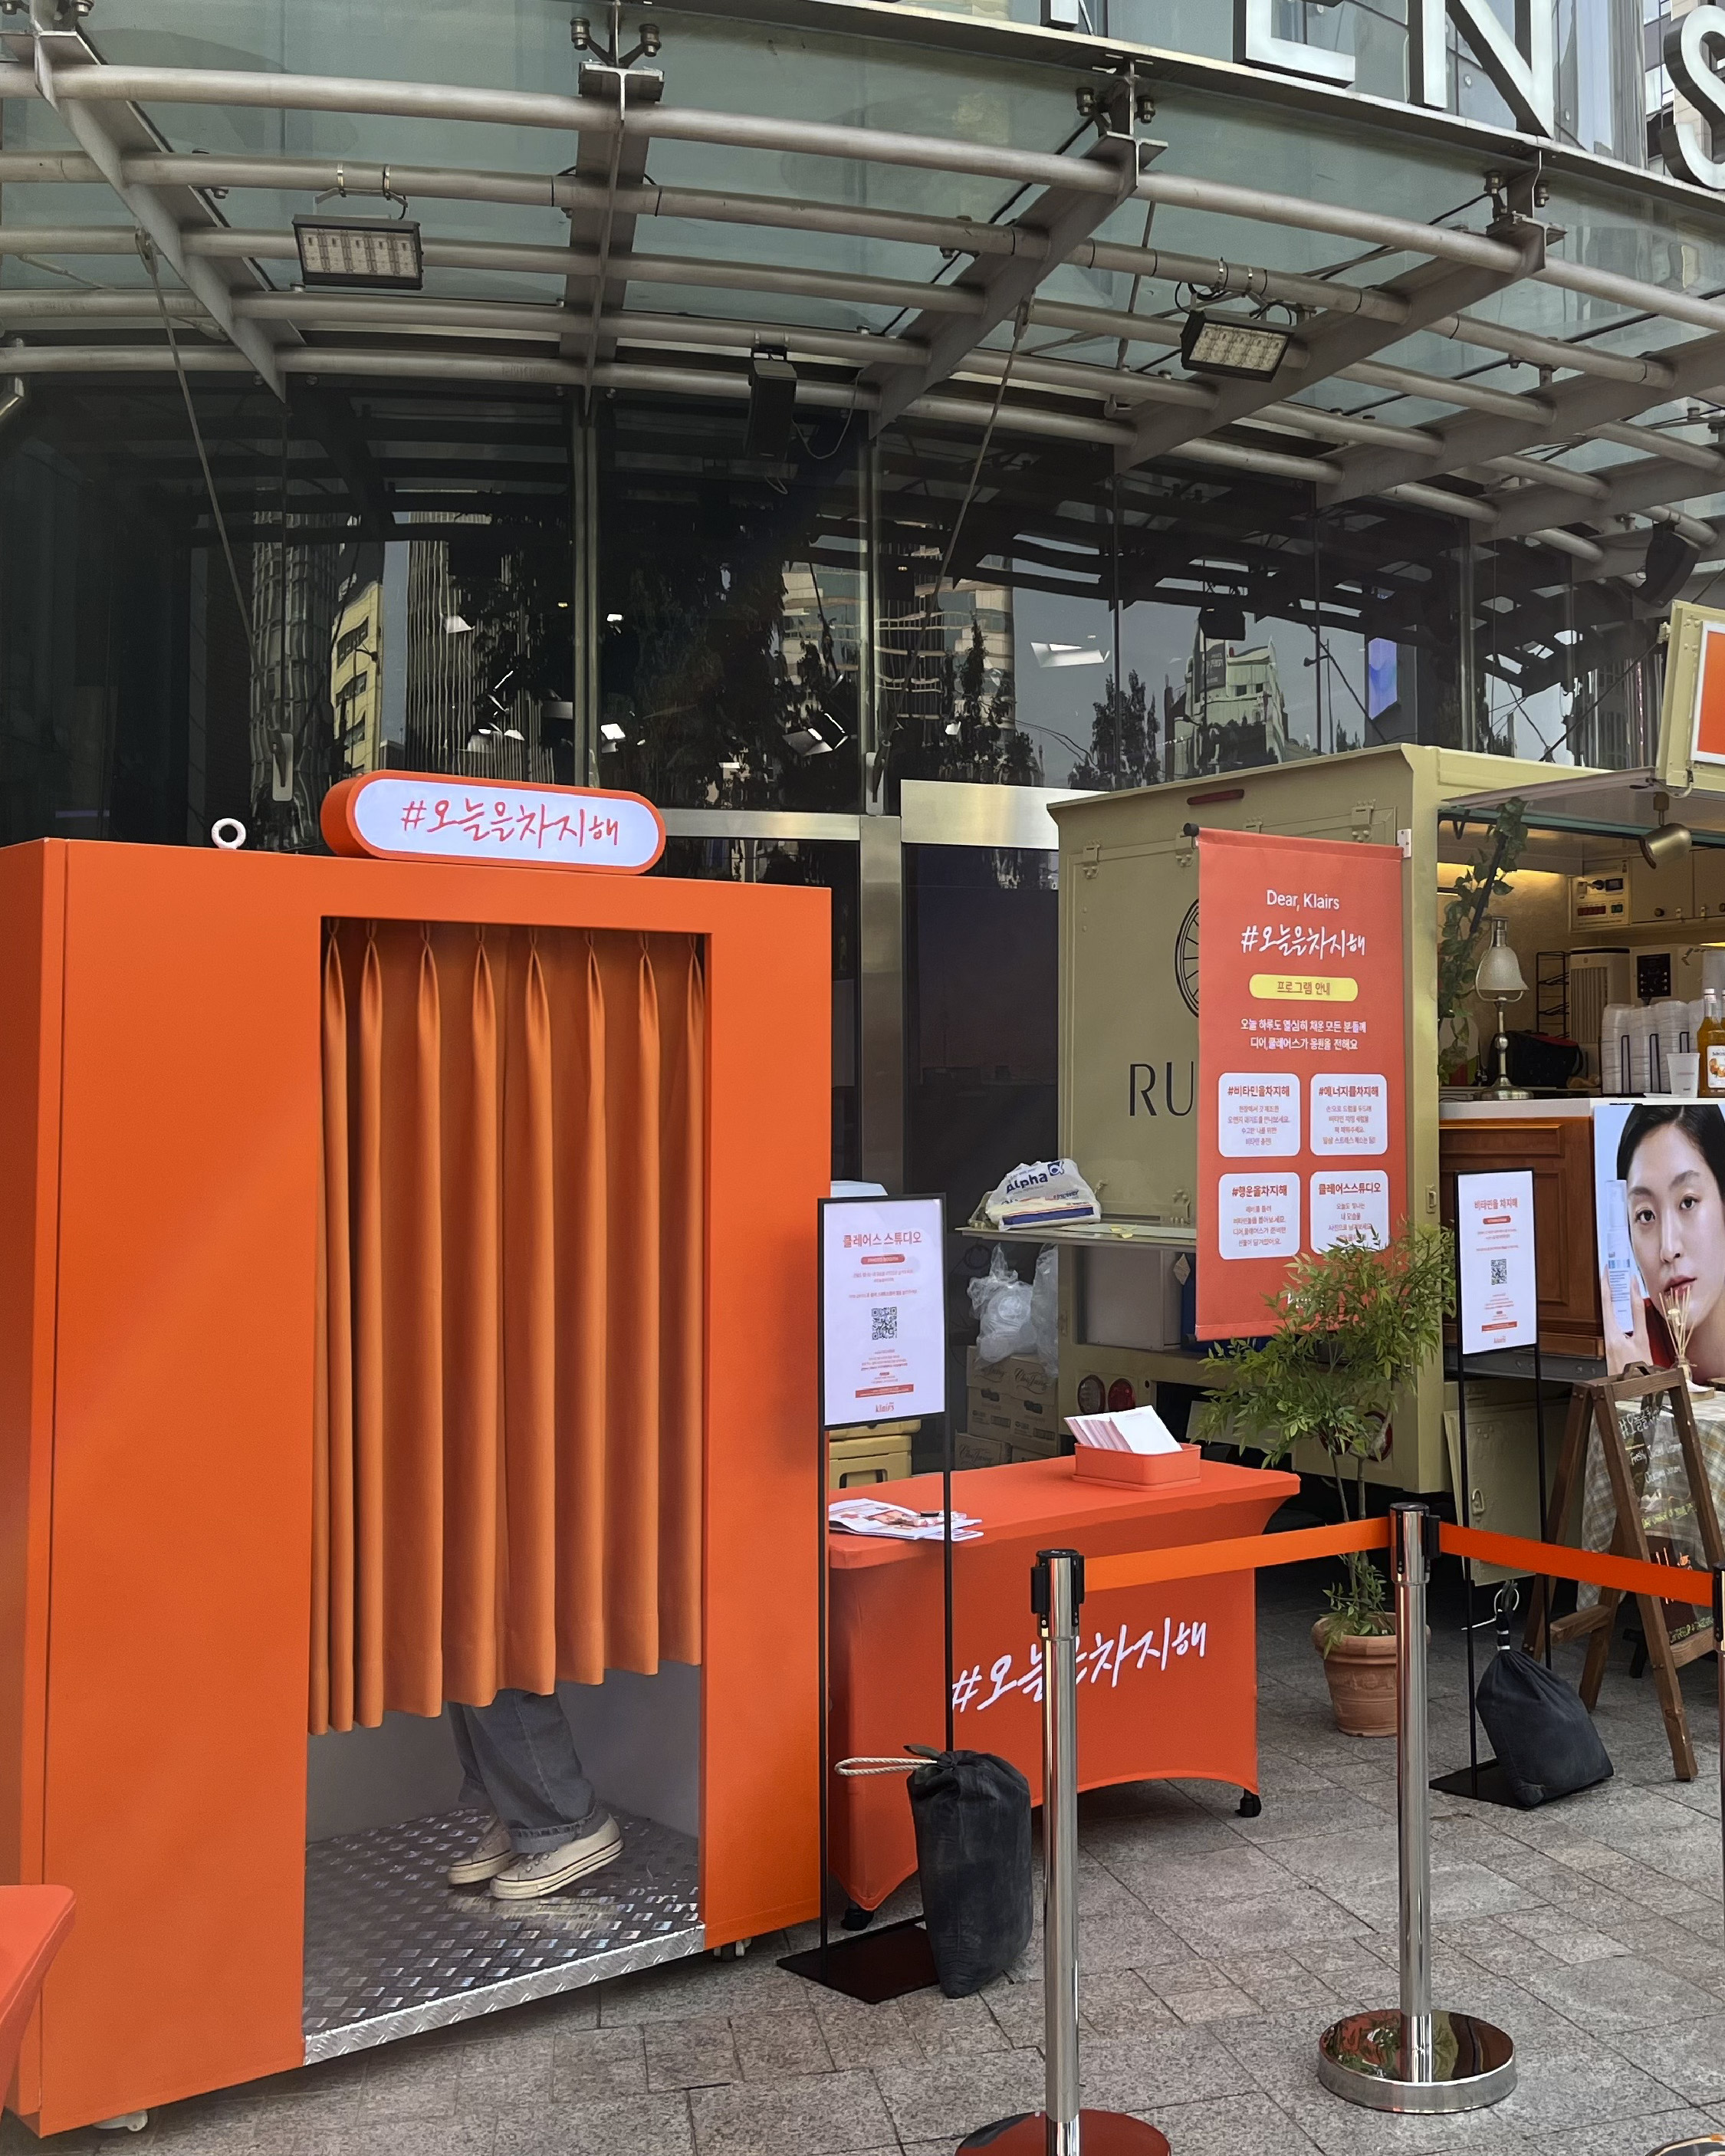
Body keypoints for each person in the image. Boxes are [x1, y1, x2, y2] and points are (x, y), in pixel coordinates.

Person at [443, 1690, 622, 1900]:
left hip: (575, 1826)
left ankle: (573, 1828)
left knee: (508, 1683)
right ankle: (517, 1817)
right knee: (471, 1683)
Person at [1604, 1103, 1725, 1382]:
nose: (1669, 1249)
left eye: (1688, 1202)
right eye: (1645, 1215)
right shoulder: (1624, 1348)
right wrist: (1633, 1392)